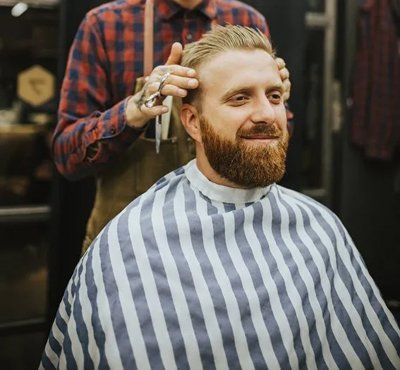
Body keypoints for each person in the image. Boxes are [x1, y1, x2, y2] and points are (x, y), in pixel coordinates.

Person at [42, 25, 400, 369]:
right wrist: (136, 107)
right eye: (240, 97)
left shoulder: (319, 228)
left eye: (274, 96)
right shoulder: (126, 248)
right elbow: (67, 156)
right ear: (192, 122)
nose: (265, 114)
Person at [53, 0, 291, 252]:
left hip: (233, 238)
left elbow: (273, 148)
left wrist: (273, 102)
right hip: (132, 246)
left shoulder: (246, 19)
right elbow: (68, 157)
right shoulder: (105, 24)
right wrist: (133, 111)